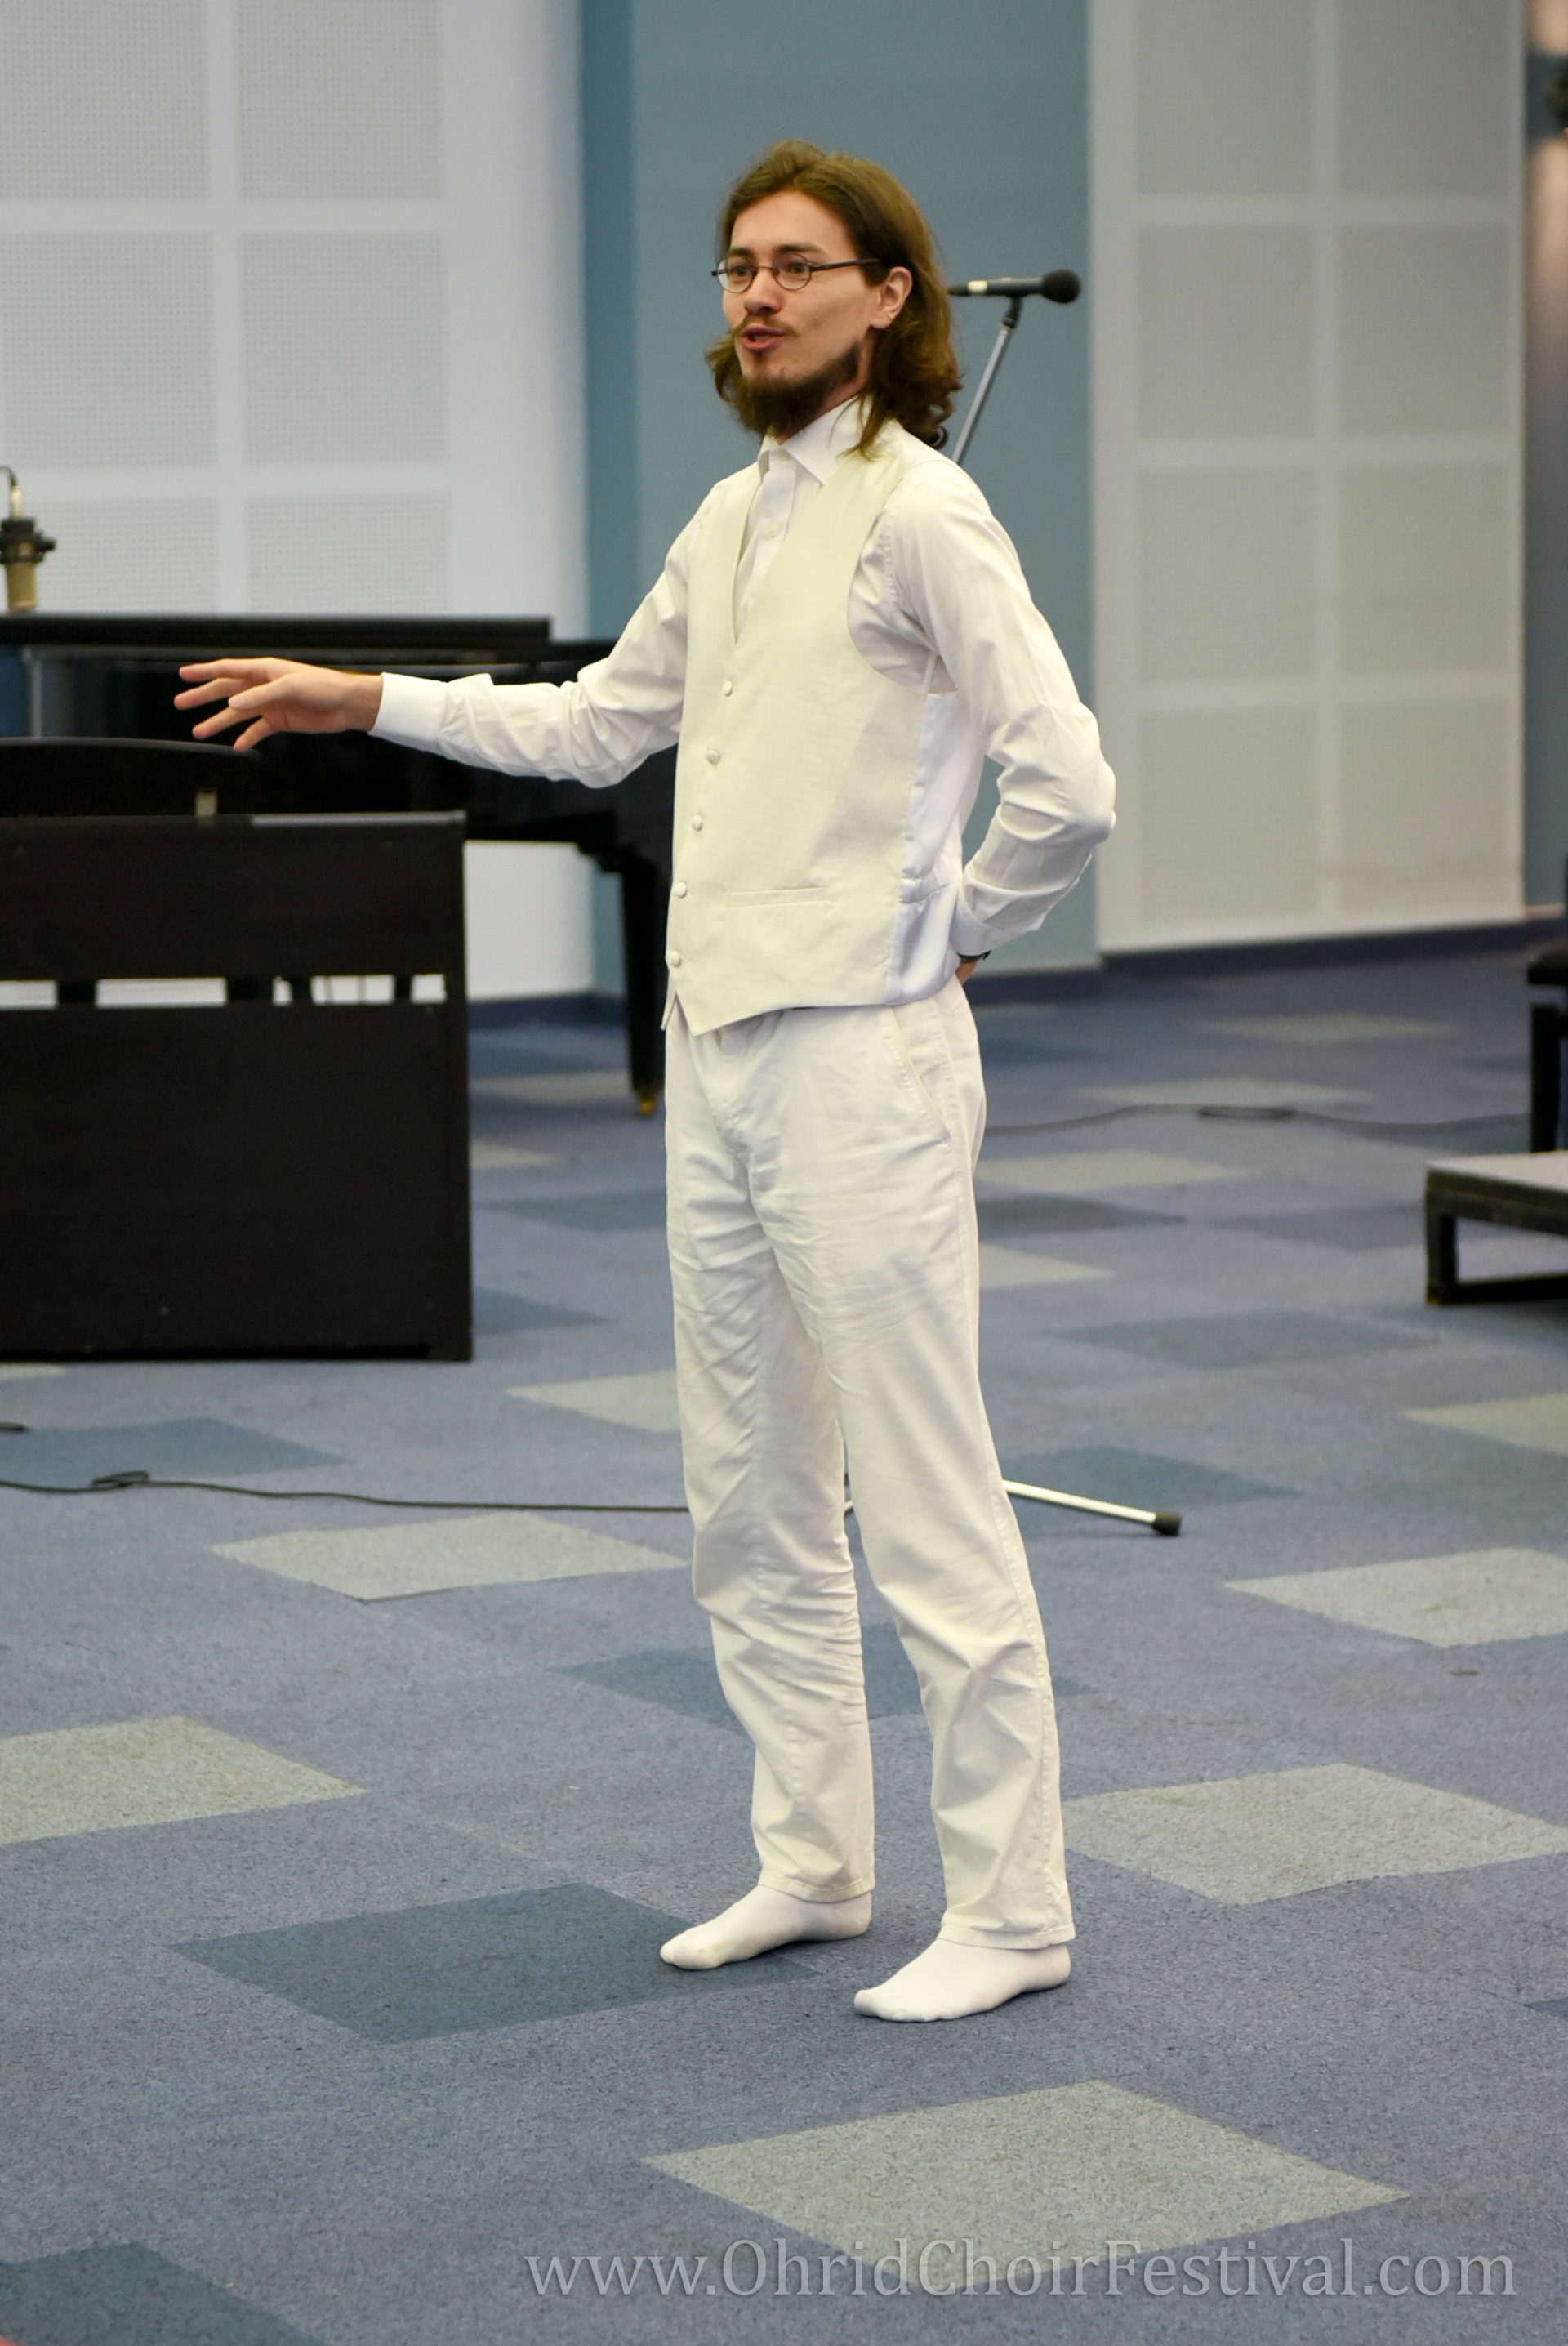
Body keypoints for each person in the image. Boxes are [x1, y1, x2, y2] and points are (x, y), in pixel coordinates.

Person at [176, 140, 1115, 2023]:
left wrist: (954, 931)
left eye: (796, 265)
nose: (757, 294)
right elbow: (600, 721)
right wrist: (369, 699)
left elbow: (1068, 783)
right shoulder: (736, 514)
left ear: (888, 298)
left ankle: (1015, 1908)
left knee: (923, 1497)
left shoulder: (924, 513)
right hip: (723, 1059)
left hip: (864, 1063)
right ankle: (816, 1860)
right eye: (737, 266)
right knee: (749, 1497)